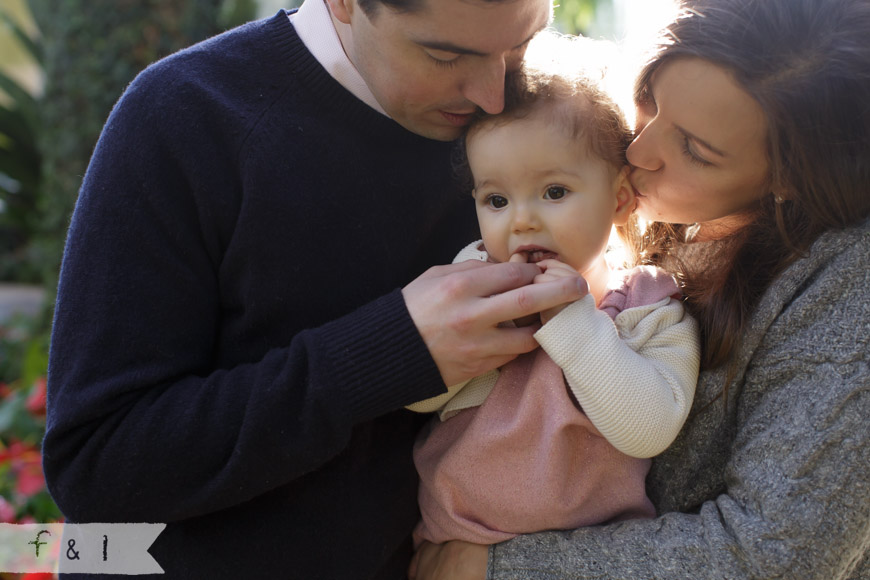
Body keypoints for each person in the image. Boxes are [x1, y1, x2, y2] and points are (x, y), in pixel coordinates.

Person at [42, 0, 589, 578]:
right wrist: (389, 354)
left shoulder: (541, 119)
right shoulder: (185, 114)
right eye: (445, 55)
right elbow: (97, 464)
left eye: (523, 44)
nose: (494, 96)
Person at [409, 0, 870, 578]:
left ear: (788, 178)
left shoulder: (845, 290)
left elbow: (779, 552)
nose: (636, 149)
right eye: (649, 100)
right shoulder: (605, 215)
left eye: (694, 150)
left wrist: (495, 568)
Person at [406, 40, 700, 546]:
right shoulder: (471, 280)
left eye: (555, 192)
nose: (522, 220)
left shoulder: (648, 308)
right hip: (454, 542)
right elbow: (415, 397)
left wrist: (572, 322)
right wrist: (487, 326)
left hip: (590, 559)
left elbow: (648, 430)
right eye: (496, 199)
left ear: (621, 199)